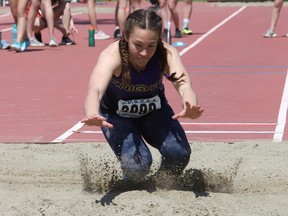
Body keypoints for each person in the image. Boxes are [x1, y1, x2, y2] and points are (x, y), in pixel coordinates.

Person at [81, 9, 204, 182]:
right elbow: (95, 89)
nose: (144, 53)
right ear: (126, 37)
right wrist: (92, 112)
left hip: (154, 112)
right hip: (116, 116)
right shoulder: (112, 55)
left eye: (151, 46)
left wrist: (190, 103)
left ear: (158, 41)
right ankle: (131, 175)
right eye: (138, 45)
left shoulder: (166, 55)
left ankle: (161, 182)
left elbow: (183, 84)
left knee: (179, 154)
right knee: (138, 165)